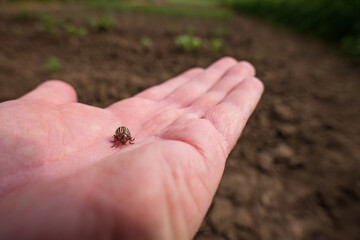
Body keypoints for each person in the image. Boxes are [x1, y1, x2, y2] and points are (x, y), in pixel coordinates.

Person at [0, 57, 263, 239]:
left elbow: (123, 136)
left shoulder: (123, 136)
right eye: (122, 141)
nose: (122, 143)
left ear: (124, 140)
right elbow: (120, 136)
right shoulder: (121, 137)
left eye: (123, 142)